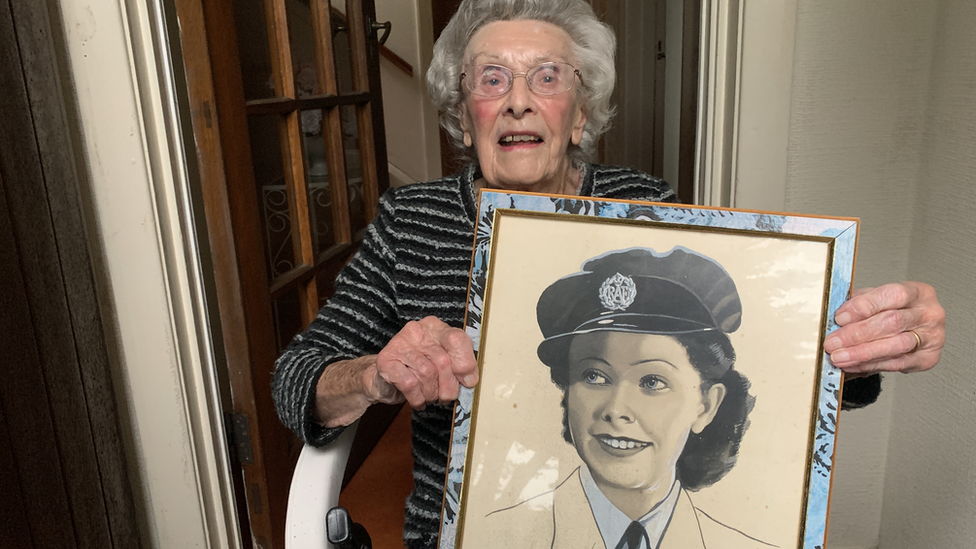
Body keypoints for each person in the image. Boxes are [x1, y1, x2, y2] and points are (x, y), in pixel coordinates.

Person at [271, 1, 946, 547]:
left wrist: (859, 346)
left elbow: (751, 361)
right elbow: (295, 379)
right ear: (461, 111)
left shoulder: (647, 208)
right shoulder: (410, 220)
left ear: (582, 113)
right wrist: (375, 376)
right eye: (491, 78)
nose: (517, 101)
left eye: (547, 76)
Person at [482, 247, 771, 549]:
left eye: (652, 381)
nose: (615, 409)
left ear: (706, 406)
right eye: (593, 376)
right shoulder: (487, 537)